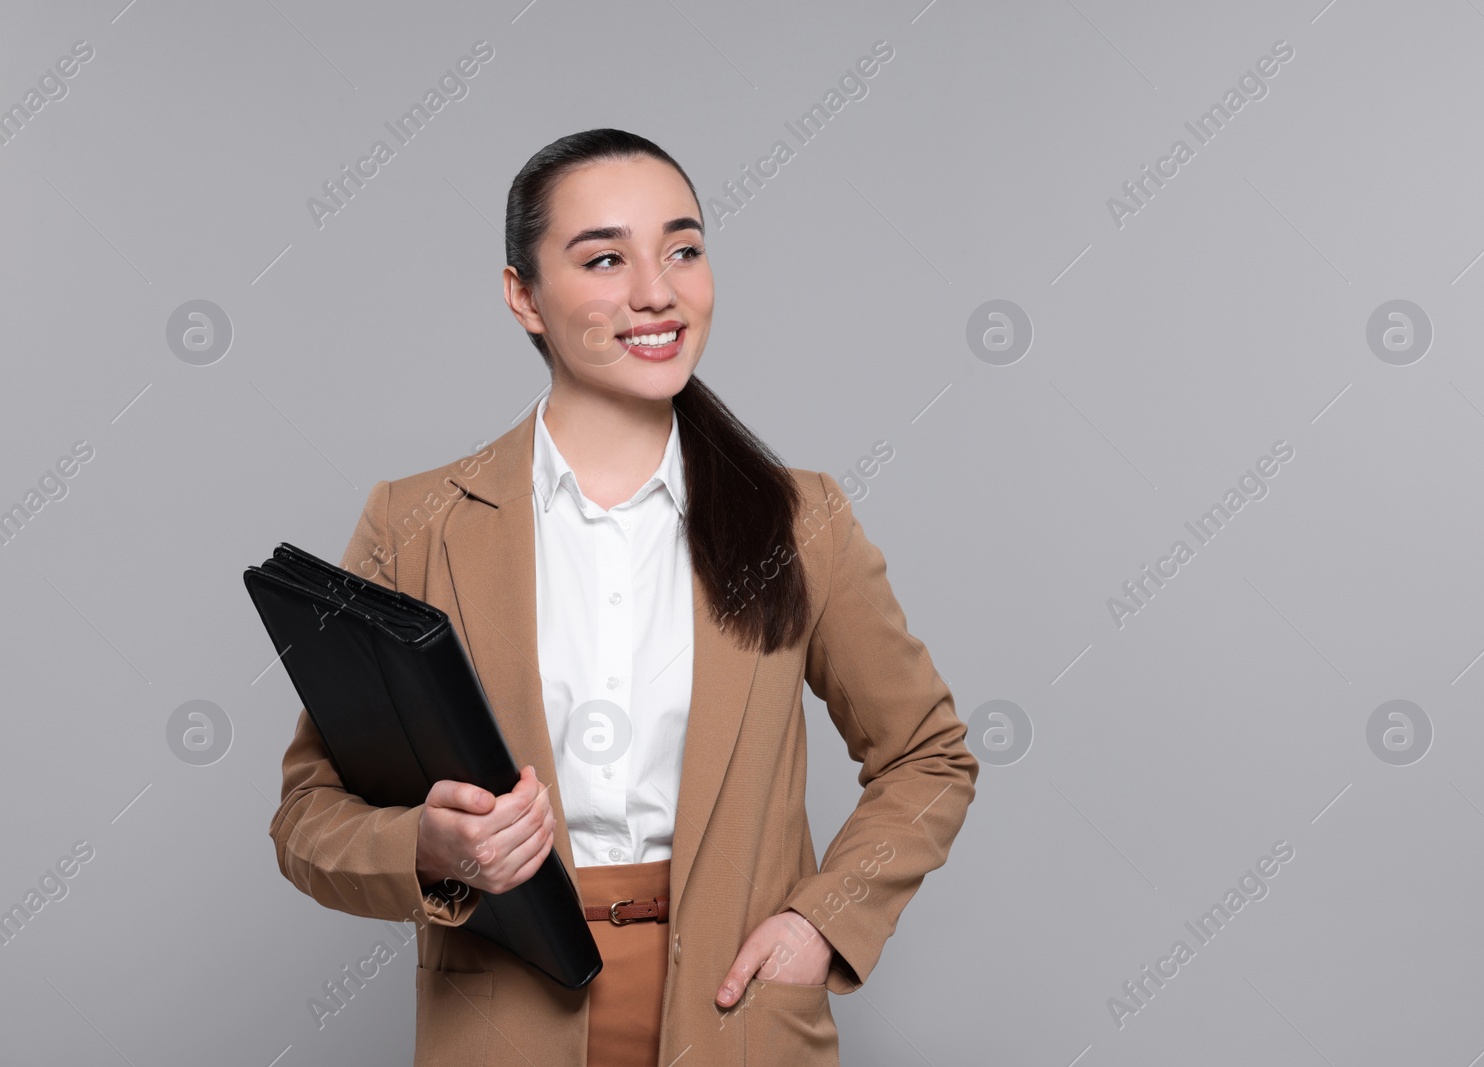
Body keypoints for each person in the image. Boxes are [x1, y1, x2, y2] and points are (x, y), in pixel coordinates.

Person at [268, 127, 978, 1066]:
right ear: (524, 295)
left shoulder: (803, 519)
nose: (656, 289)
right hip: (504, 1022)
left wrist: (822, 923)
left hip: (739, 1018)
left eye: (682, 249)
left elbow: (928, 756)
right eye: (605, 258)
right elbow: (308, 816)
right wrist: (431, 849)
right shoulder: (416, 523)